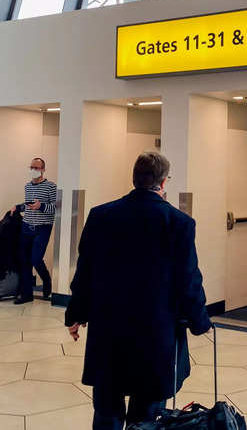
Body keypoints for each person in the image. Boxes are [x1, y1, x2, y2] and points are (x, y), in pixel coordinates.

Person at [65, 152, 212, 430]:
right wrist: (199, 321)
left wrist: (76, 313)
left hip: (108, 328)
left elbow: (85, 271)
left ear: (134, 179)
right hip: (155, 331)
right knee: (147, 414)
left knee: (106, 408)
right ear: (163, 182)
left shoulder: (101, 215)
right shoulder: (179, 223)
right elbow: (188, 279)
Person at [11, 157, 56, 304]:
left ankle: (46, 279)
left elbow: (56, 208)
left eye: (36, 168)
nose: (33, 170)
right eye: (31, 167)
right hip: (26, 226)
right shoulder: (27, 186)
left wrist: (41, 206)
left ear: (43, 169)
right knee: (24, 261)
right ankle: (26, 295)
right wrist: (17, 207)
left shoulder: (51, 187)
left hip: (43, 228)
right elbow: (28, 204)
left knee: (35, 258)